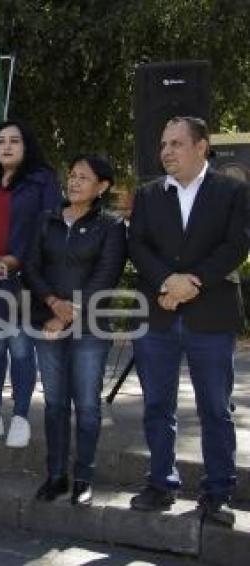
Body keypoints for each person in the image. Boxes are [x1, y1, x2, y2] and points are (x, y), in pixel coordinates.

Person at [127, 116, 250, 526]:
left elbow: (236, 243)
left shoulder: (232, 190)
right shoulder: (147, 195)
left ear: (202, 146)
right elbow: (137, 244)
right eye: (163, 144)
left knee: (215, 407)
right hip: (159, 314)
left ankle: (217, 494)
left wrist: (193, 281)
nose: (166, 151)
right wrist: (167, 280)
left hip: (211, 315)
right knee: (157, 405)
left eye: (176, 143)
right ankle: (161, 483)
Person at [24, 155, 127, 505]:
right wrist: (53, 305)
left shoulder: (111, 226)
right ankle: (56, 475)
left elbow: (106, 277)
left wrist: (70, 314)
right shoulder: (46, 219)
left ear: (102, 187)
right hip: (47, 322)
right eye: (72, 175)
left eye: (84, 177)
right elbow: (31, 268)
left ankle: (84, 476)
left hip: (90, 328)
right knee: (54, 404)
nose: (74, 182)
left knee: (86, 405)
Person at [0, 119, 62, 448]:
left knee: (20, 348)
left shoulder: (42, 180)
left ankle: (20, 417)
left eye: (14, 141)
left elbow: (49, 227)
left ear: (26, 145)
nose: (6, 146)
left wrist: (17, 258)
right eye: (0, 141)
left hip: (22, 278)